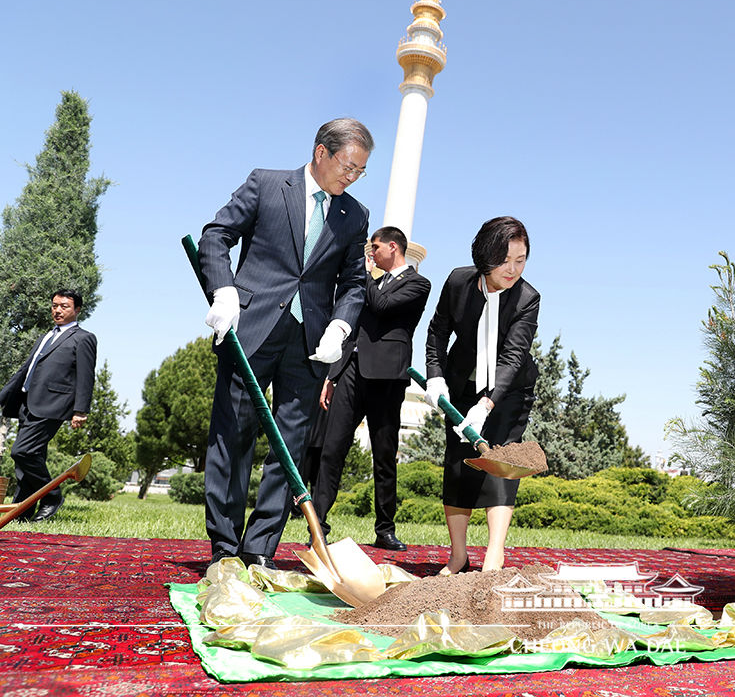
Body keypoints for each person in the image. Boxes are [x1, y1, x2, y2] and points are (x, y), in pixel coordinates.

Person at [197, 118, 372, 569]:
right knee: (232, 436)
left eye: (360, 172)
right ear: (321, 153)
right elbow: (216, 235)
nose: (351, 177)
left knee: (289, 446)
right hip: (250, 328)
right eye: (348, 166)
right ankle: (224, 546)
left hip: (310, 342)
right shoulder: (266, 183)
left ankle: (259, 549)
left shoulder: (355, 215)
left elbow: (354, 283)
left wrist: (340, 327)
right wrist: (224, 288)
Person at [424, 216, 539, 573]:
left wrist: (487, 404)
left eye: (520, 260)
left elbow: (513, 357)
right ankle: (458, 555)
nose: (512, 269)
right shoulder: (459, 281)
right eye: (505, 260)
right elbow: (438, 331)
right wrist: (435, 377)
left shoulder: (527, 298)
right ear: (485, 254)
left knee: (501, 466)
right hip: (460, 385)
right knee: (458, 464)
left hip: (509, 391)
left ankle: (494, 555)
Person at [310, 226, 430, 551]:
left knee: (384, 456)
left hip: (387, 378)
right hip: (350, 372)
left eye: (375, 248)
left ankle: (385, 529)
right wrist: (331, 376)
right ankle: (317, 525)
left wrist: (363, 273)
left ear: (393, 247)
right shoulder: (372, 282)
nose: (371, 254)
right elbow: (352, 333)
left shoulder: (418, 284)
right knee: (332, 450)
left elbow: (380, 306)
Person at [0, 289, 96, 522]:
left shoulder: (83, 338)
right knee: (27, 463)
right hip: (27, 402)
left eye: (64, 306)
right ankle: (21, 514)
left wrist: (80, 410)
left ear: (77, 310)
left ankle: (52, 496)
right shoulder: (45, 336)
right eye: (54, 305)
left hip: (53, 404)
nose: (58, 310)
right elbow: (26, 370)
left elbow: (86, 376)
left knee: (23, 452)